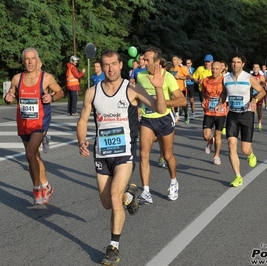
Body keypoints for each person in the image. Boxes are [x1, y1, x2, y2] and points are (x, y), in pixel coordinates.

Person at [76, 49, 166, 265]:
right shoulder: (92, 92)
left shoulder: (132, 88)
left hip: (125, 152)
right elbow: (82, 121)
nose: (110, 68)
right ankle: (129, 195)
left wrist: (159, 89)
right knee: (107, 203)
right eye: (106, 64)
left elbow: (160, 108)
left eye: (114, 64)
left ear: (120, 64)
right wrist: (81, 140)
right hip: (102, 153)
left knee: (114, 198)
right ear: (101, 66)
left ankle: (113, 247)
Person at [4, 47, 64, 205]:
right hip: (23, 122)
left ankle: (37, 188)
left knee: (30, 154)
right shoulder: (17, 78)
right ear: (23, 61)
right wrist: (8, 97)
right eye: (27, 59)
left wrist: (51, 97)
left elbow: (60, 92)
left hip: (40, 121)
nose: (30, 62)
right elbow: (10, 95)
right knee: (35, 156)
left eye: (33, 59)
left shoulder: (46, 78)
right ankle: (46, 186)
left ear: (38, 61)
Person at [138, 47, 186, 203]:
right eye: (143, 59)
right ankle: (146, 191)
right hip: (147, 119)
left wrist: (162, 103)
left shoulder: (168, 77)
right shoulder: (140, 76)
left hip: (164, 118)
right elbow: (139, 98)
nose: (143, 62)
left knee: (167, 155)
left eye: (147, 60)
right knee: (144, 154)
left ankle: (173, 182)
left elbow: (181, 100)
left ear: (157, 62)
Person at [222, 51, 266, 187]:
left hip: (246, 115)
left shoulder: (249, 78)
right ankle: (238, 176)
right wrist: (220, 103)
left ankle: (250, 154)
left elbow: (262, 91)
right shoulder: (226, 78)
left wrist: (254, 100)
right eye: (233, 62)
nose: (235, 64)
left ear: (243, 64)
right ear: (230, 63)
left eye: (238, 62)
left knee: (245, 149)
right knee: (231, 144)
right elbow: (224, 93)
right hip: (233, 115)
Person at [201, 61, 227, 165]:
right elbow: (202, 92)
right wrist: (203, 100)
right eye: (213, 68)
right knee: (205, 136)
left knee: (218, 135)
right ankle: (210, 141)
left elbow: (225, 94)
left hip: (220, 112)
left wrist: (220, 103)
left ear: (221, 69)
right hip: (209, 111)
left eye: (217, 69)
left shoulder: (224, 80)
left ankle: (216, 156)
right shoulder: (206, 80)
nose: (214, 70)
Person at [170, 55, 190, 124]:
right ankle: (176, 115)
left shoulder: (182, 68)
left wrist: (180, 77)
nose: (173, 61)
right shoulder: (171, 69)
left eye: (175, 60)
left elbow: (188, 77)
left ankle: (186, 114)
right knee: (174, 102)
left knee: (183, 104)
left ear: (178, 60)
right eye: (173, 60)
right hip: (174, 89)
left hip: (181, 88)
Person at [251, 63, 267, 131]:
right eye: (254, 67)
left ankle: (259, 123)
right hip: (251, 95)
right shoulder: (250, 76)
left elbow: (264, 84)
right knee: (252, 109)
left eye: (257, 67)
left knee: (259, 109)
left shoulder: (261, 76)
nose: (255, 69)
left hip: (259, 95)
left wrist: (264, 84)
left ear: (259, 69)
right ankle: (252, 123)